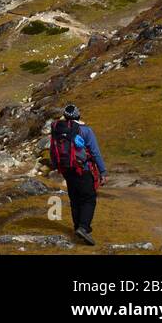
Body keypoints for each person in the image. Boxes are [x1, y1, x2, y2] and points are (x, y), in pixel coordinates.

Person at [50, 103, 107, 245]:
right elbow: (95, 152)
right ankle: (83, 228)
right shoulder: (85, 130)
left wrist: (58, 167)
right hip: (83, 169)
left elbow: (53, 149)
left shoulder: (58, 129)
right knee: (89, 198)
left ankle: (77, 228)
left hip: (67, 169)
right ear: (78, 115)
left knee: (75, 199)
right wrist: (103, 172)